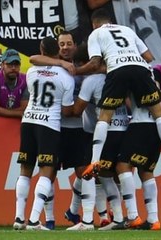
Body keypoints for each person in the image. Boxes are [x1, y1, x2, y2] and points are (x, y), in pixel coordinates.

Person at [74, 8, 161, 185]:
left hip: (117, 71)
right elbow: (148, 57)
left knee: (105, 116)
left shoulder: (96, 33)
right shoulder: (127, 29)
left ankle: (94, 161)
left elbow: (94, 63)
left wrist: (76, 71)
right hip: (140, 69)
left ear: (95, 24)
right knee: (159, 113)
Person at [13, 36, 74, 231]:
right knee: (46, 172)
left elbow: (34, 61)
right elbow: (66, 111)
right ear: (58, 50)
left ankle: (19, 218)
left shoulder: (30, 73)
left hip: (28, 121)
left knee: (25, 170)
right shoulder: (66, 77)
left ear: (41, 49)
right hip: (49, 124)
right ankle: (33, 220)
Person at [68, 44, 128, 231]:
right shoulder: (120, 77)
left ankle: (86, 221)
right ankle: (118, 218)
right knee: (106, 175)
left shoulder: (92, 81)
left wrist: (61, 107)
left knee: (89, 174)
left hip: (99, 133)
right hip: (121, 129)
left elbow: (77, 110)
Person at [116, 95, 161, 230]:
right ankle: (153, 219)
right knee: (146, 171)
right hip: (157, 125)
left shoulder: (137, 75)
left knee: (122, 165)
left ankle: (132, 216)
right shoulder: (156, 75)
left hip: (140, 124)